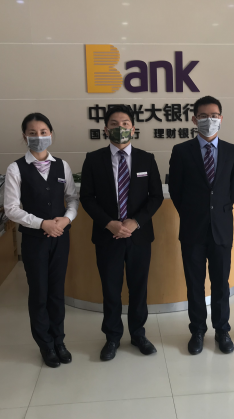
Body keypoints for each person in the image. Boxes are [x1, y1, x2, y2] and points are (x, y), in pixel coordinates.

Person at [80, 105, 164, 362]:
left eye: (125, 123)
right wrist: (109, 224)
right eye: (114, 124)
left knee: (139, 288)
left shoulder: (146, 159)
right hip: (108, 236)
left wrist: (135, 222)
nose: (120, 128)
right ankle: (113, 337)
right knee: (111, 289)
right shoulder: (93, 159)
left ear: (133, 128)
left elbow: (156, 196)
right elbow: (87, 198)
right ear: (106, 129)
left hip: (139, 237)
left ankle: (138, 334)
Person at [168, 95, 234, 356]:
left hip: (221, 229)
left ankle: (222, 330)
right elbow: (176, 190)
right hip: (192, 229)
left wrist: (216, 213)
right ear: (194, 119)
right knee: (195, 284)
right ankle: (197, 330)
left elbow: (231, 190)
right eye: (203, 116)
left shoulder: (232, 151)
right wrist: (193, 214)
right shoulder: (181, 151)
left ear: (221, 119)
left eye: (214, 115)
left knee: (221, 284)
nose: (209, 120)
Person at [4, 112, 79, 368]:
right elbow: (11, 209)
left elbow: (72, 199)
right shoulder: (16, 168)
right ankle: (45, 344)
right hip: (34, 240)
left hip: (61, 238)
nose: (39, 137)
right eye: (33, 133)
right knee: (39, 293)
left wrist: (66, 219)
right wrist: (42, 223)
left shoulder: (62, 166)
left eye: (44, 132)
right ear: (24, 136)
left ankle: (59, 341)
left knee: (57, 292)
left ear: (51, 134)